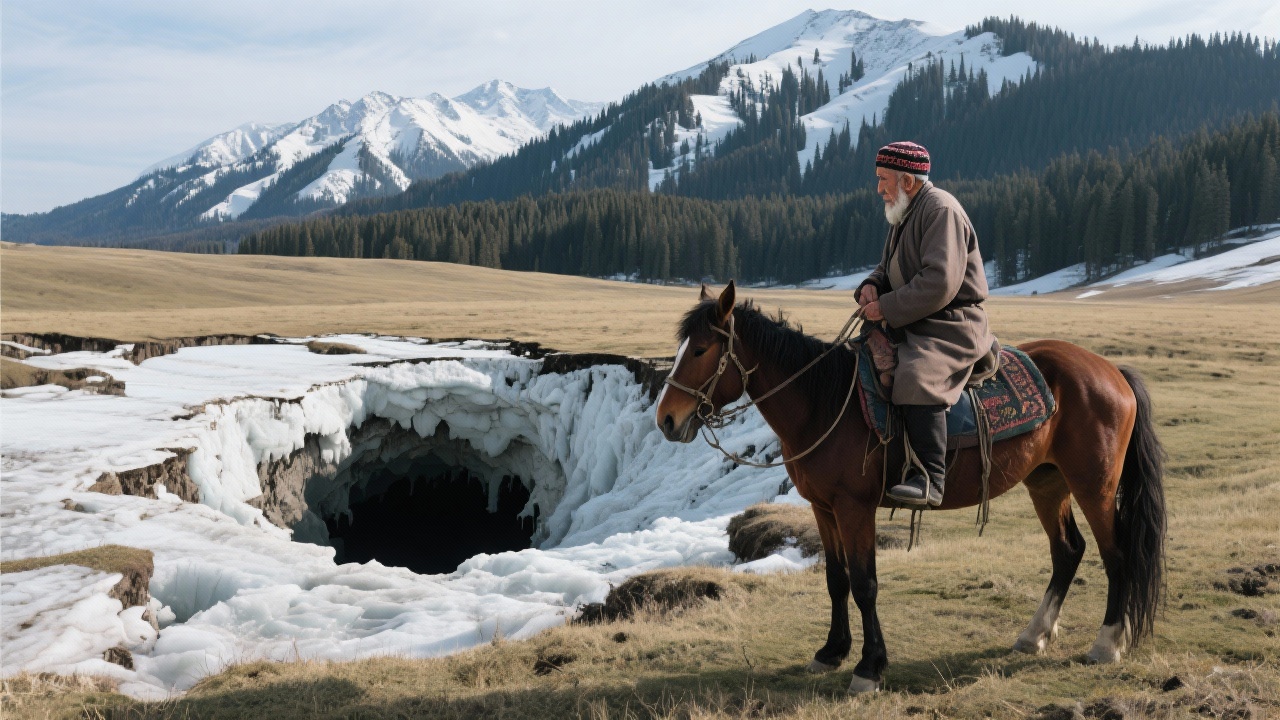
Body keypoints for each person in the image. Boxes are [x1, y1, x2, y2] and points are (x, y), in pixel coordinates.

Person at [855, 141, 995, 507]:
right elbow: (892, 266)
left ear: (908, 181)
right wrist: (872, 285)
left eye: (884, 180)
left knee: (917, 375)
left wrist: (886, 307)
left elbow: (940, 283)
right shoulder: (904, 211)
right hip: (920, 316)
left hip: (952, 322)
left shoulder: (941, 210)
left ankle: (931, 479)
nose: (879, 189)